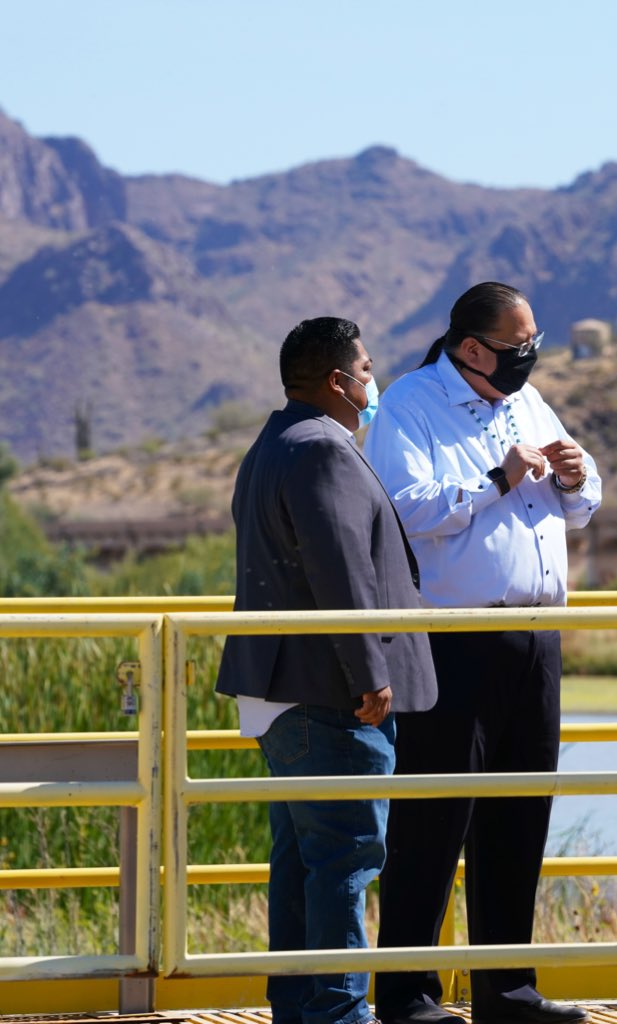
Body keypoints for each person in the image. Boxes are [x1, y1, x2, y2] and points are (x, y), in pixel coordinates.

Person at [363, 282, 601, 1024]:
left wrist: (572, 474)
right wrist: (499, 478)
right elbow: (405, 508)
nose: (531, 356)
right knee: (433, 823)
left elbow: (587, 502)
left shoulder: (529, 404)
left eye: (535, 343)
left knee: (518, 817)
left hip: (536, 639)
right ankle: (408, 995)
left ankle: (509, 992)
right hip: (452, 639)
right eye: (518, 345)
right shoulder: (410, 404)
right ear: (472, 347)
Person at [216, 316, 438, 1024]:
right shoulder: (322, 450)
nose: (374, 382)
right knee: (345, 860)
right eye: (367, 371)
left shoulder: (272, 443)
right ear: (340, 381)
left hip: (284, 689)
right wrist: (368, 672)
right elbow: (337, 567)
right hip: (329, 693)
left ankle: (302, 1004)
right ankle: (339, 1013)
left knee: (302, 861)